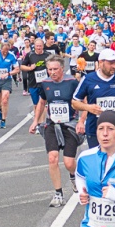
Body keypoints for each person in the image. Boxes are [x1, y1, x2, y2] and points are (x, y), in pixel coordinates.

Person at [36, 55, 81, 206]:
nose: (52, 72)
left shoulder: (72, 82)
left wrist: (82, 121)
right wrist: (35, 121)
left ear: (62, 68)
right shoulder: (45, 83)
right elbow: (41, 102)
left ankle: (74, 176)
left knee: (68, 162)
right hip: (52, 124)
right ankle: (58, 193)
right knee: (52, 158)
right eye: (50, 69)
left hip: (69, 124)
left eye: (55, 69)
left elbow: (84, 101)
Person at [72, 49, 115, 149]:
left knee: (114, 160)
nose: (114, 66)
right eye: (110, 63)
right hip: (95, 128)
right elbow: (74, 102)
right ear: (101, 62)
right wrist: (88, 107)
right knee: (98, 161)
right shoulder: (88, 79)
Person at [20, 38, 49, 133]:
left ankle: (40, 124)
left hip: (45, 83)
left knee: (43, 103)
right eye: (37, 46)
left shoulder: (48, 55)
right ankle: (38, 122)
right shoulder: (30, 55)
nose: (39, 48)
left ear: (43, 46)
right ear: (34, 46)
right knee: (36, 104)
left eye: (40, 46)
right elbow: (22, 66)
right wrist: (30, 68)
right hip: (33, 83)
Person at [0, 41, 19, 129]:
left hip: (7, 80)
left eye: (7, 51)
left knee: (5, 99)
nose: (5, 52)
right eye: (4, 51)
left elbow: (17, 69)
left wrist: (8, 74)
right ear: (0, 49)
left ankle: (3, 120)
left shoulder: (11, 55)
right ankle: (1, 110)